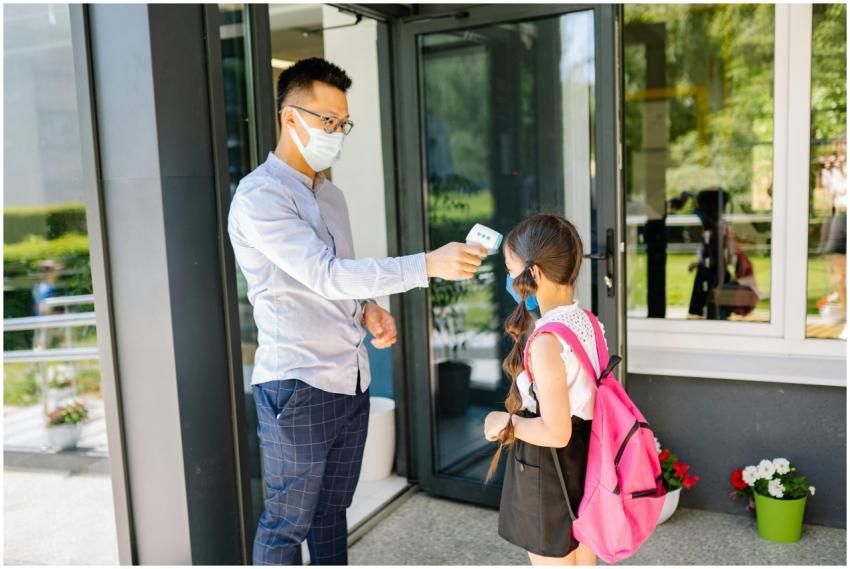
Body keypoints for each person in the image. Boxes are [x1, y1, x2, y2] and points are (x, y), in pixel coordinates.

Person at [226, 57, 487, 565]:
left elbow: (336, 277)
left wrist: (368, 309)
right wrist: (425, 265)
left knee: (331, 514)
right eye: (328, 120)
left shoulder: (332, 195)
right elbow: (324, 274)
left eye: (342, 123)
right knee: (286, 524)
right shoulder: (260, 197)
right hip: (297, 385)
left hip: (351, 381)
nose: (336, 132)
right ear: (290, 118)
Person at [483, 213, 602, 566]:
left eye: (510, 268)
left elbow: (556, 430)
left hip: (549, 471)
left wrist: (504, 423)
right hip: (585, 462)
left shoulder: (546, 341)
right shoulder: (588, 323)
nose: (508, 278)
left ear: (533, 274)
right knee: (582, 557)